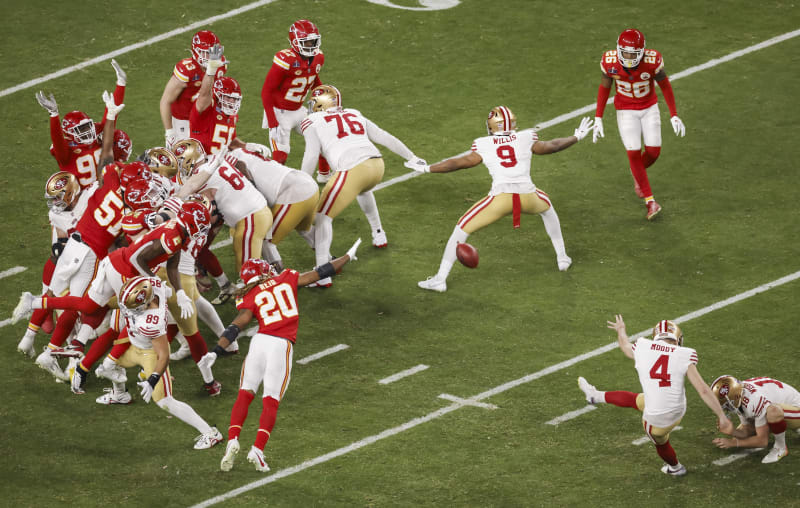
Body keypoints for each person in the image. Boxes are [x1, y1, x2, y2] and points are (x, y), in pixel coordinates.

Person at [200, 239, 361, 472]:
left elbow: (237, 325)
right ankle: (257, 449)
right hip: (280, 345)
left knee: (245, 394)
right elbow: (321, 272)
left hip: (259, 342)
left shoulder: (249, 294)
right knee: (271, 399)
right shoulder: (285, 278)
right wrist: (347, 256)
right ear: (264, 271)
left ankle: (233, 439)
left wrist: (216, 350)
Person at [412, 106, 592, 292]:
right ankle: (562, 258)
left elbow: (458, 163)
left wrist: (428, 168)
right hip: (529, 197)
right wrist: (576, 136)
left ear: (491, 126)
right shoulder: (526, 136)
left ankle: (440, 279)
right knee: (547, 209)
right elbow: (552, 146)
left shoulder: (483, 143)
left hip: (500, 199)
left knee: (461, 228)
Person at [300, 85, 424, 286]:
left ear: (320, 103)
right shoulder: (353, 113)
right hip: (376, 165)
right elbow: (383, 136)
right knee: (363, 189)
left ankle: (322, 274)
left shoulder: (312, 121)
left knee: (322, 217)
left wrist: (303, 183)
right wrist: (411, 156)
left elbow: (311, 155)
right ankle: (378, 233)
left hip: (353, 169)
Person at [578, 316, 733, 476]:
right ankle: (594, 396)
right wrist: (722, 416)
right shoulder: (685, 354)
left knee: (661, 444)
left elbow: (625, 346)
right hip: (679, 410)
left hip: (657, 419)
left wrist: (621, 330)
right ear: (677, 338)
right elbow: (703, 390)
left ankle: (675, 468)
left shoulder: (643, 346)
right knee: (637, 400)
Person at [105, 275, 222, 449]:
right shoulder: (150, 285)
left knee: (164, 400)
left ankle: (210, 433)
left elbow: (164, 356)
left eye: (135, 307)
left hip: (151, 354)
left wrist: (152, 381)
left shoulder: (152, 322)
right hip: (135, 345)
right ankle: (120, 395)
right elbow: (161, 287)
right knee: (112, 364)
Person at [592, 28, 686, 220]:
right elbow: (604, 87)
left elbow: (665, 86)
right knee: (633, 151)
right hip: (626, 110)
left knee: (653, 152)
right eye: (625, 52)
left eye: (632, 54)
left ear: (642, 52)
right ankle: (650, 202)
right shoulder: (610, 62)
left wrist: (674, 114)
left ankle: (636, 170)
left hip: (649, 107)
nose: (628, 57)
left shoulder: (652, 61)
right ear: (618, 49)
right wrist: (598, 117)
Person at [174, 140, 273, 274]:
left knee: (249, 274)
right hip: (259, 210)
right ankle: (279, 275)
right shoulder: (213, 158)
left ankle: (277, 288)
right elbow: (240, 165)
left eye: (180, 162)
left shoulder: (203, 177)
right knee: (256, 261)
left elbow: (191, 191)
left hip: (251, 219)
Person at [35, 60, 127, 189]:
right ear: (69, 133)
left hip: (108, 189)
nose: (87, 131)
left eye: (87, 126)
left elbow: (112, 113)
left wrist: (121, 84)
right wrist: (54, 114)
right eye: (80, 129)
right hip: (84, 200)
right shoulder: (66, 152)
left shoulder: (96, 135)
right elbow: (57, 138)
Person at [231, 147, 319, 270]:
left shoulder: (227, 162)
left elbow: (251, 186)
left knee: (265, 240)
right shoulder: (241, 150)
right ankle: (328, 259)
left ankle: (275, 280)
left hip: (294, 194)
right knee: (305, 229)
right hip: (307, 184)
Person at [261, 19, 325, 170]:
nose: (312, 45)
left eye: (314, 41)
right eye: (307, 42)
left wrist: (322, 99)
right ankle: (268, 184)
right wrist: (272, 121)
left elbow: (314, 79)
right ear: (295, 42)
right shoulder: (286, 60)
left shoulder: (318, 58)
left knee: (323, 137)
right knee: (280, 158)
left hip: (299, 109)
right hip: (280, 112)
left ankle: (324, 174)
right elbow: (267, 91)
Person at [710, 375, 800, 464]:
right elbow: (747, 430)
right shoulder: (740, 394)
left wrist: (733, 443)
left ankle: (780, 448)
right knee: (741, 435)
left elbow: (762, 441)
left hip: (796, 409)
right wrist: (732, 431)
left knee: (773, 411)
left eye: (726, 405)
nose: (725, 408)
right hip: (780, 406)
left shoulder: (753, 401)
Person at [161, 30, 227, 148]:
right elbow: (165, 101)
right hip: (184, 123)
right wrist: (169, 132)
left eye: (212, 52)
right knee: (187, 162)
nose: (210, 56)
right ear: (196, 52)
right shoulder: (187, 70)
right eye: (205, 52)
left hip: (205, 120)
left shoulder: (220, 65)